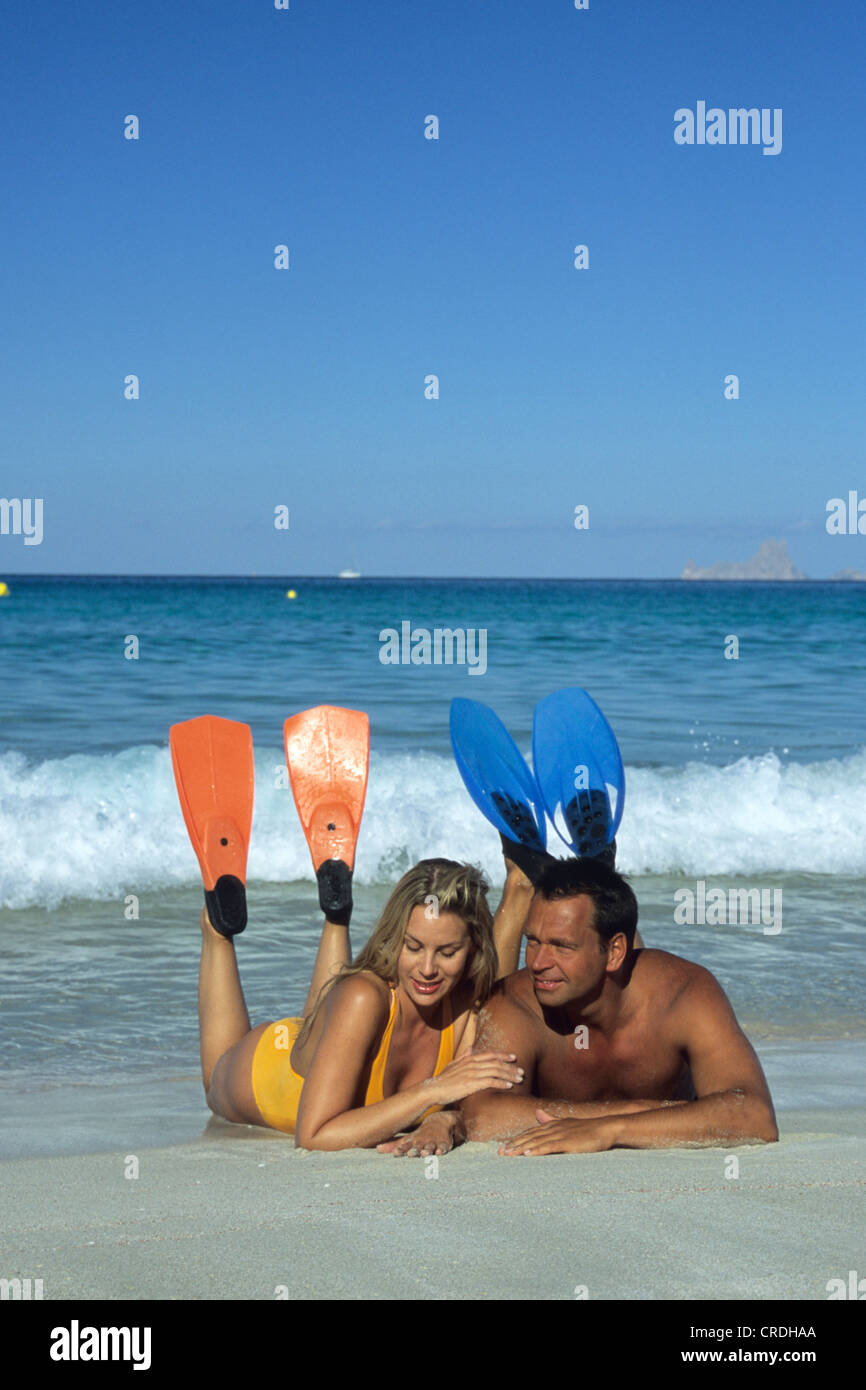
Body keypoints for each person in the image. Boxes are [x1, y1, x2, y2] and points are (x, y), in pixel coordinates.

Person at [198, 856, 533, 1153]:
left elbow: (472, 1103)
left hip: (334, 1037)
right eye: (413, 946)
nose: (428, 968)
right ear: (393, 935)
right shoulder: (363, 997)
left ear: (473, 948)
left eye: (447, 953)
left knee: (336, 1007)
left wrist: (446, 1121)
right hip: (263, 1070)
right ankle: (217, 930)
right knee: (214, 1081)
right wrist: (432, 1092)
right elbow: (314, 1135)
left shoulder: (467, 1008)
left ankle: (336, 915)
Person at [458, 857, 778, 1153]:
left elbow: (753, 1115)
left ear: (614, 952)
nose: (538, 962)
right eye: (534, 941)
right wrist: (637, 1113)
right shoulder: (516, 1003)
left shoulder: (683, 993)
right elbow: (483, 1117)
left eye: (562, 947)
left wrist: (608, 1130)